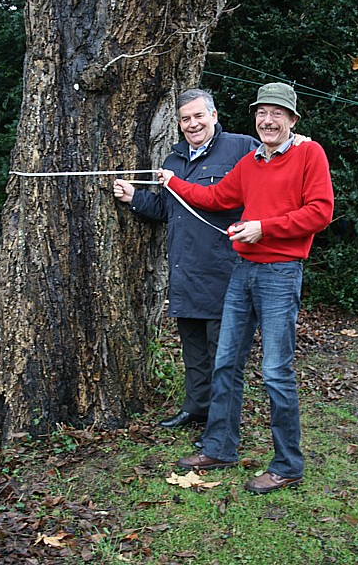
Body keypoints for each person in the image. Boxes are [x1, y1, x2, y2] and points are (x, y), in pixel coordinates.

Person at [158, 82, 334, 493]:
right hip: (243, 271)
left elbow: (321, 211)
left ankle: (288, 464)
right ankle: (220, 446)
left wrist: (264, 228)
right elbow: (216, 196)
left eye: (277, 114)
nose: (268, 121)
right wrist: (172, 182)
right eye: (262, 113)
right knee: (225, 362)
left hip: (280, 273)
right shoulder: (251, 161)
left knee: (275, 371)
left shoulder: (310, 153)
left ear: (292, 120)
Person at [113, 89, 260, 433]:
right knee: (194, 354)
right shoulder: (173, 162)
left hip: (225, 273)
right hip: (185, 275)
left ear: (214, 114)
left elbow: (271, 175)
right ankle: (196, 409)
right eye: (185, 119)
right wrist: (135, 198)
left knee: (222, 358)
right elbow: (168, 210)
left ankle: (221, 426)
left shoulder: (241, 147)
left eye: (198, 116)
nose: (192, 124)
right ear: (179, 124)